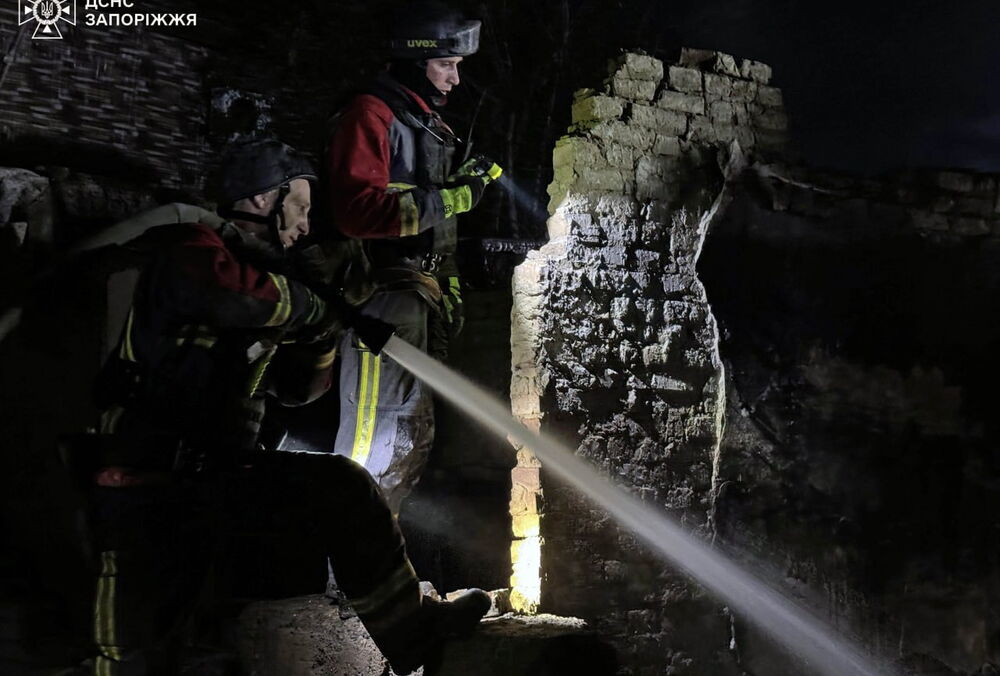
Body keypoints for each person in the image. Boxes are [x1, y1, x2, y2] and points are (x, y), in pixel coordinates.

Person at [79, 138, 489, 675]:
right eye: (299, 206)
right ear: (259, 200)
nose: (304, 224)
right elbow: (225, 294)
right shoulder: (187, 245)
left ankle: (413, 636)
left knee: (343, 489)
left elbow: (298, 391)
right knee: (134, 646)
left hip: (211, 472)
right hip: (140, 473)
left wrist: (320, 338)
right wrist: (310, 307)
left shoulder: (257, 272)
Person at [326, 1, 501, 513]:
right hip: (379, 301)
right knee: (372, 439)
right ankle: (346, 586)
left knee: (405, 439)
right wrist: (458, 196)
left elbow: (427, 223)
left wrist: (446, 284)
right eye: (446, 64)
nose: (454, 79)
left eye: (458, 66)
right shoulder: (370, 115)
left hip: (415, 298)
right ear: (414, 60)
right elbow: (357, 213)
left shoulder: (420, 123)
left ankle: (382, 582)